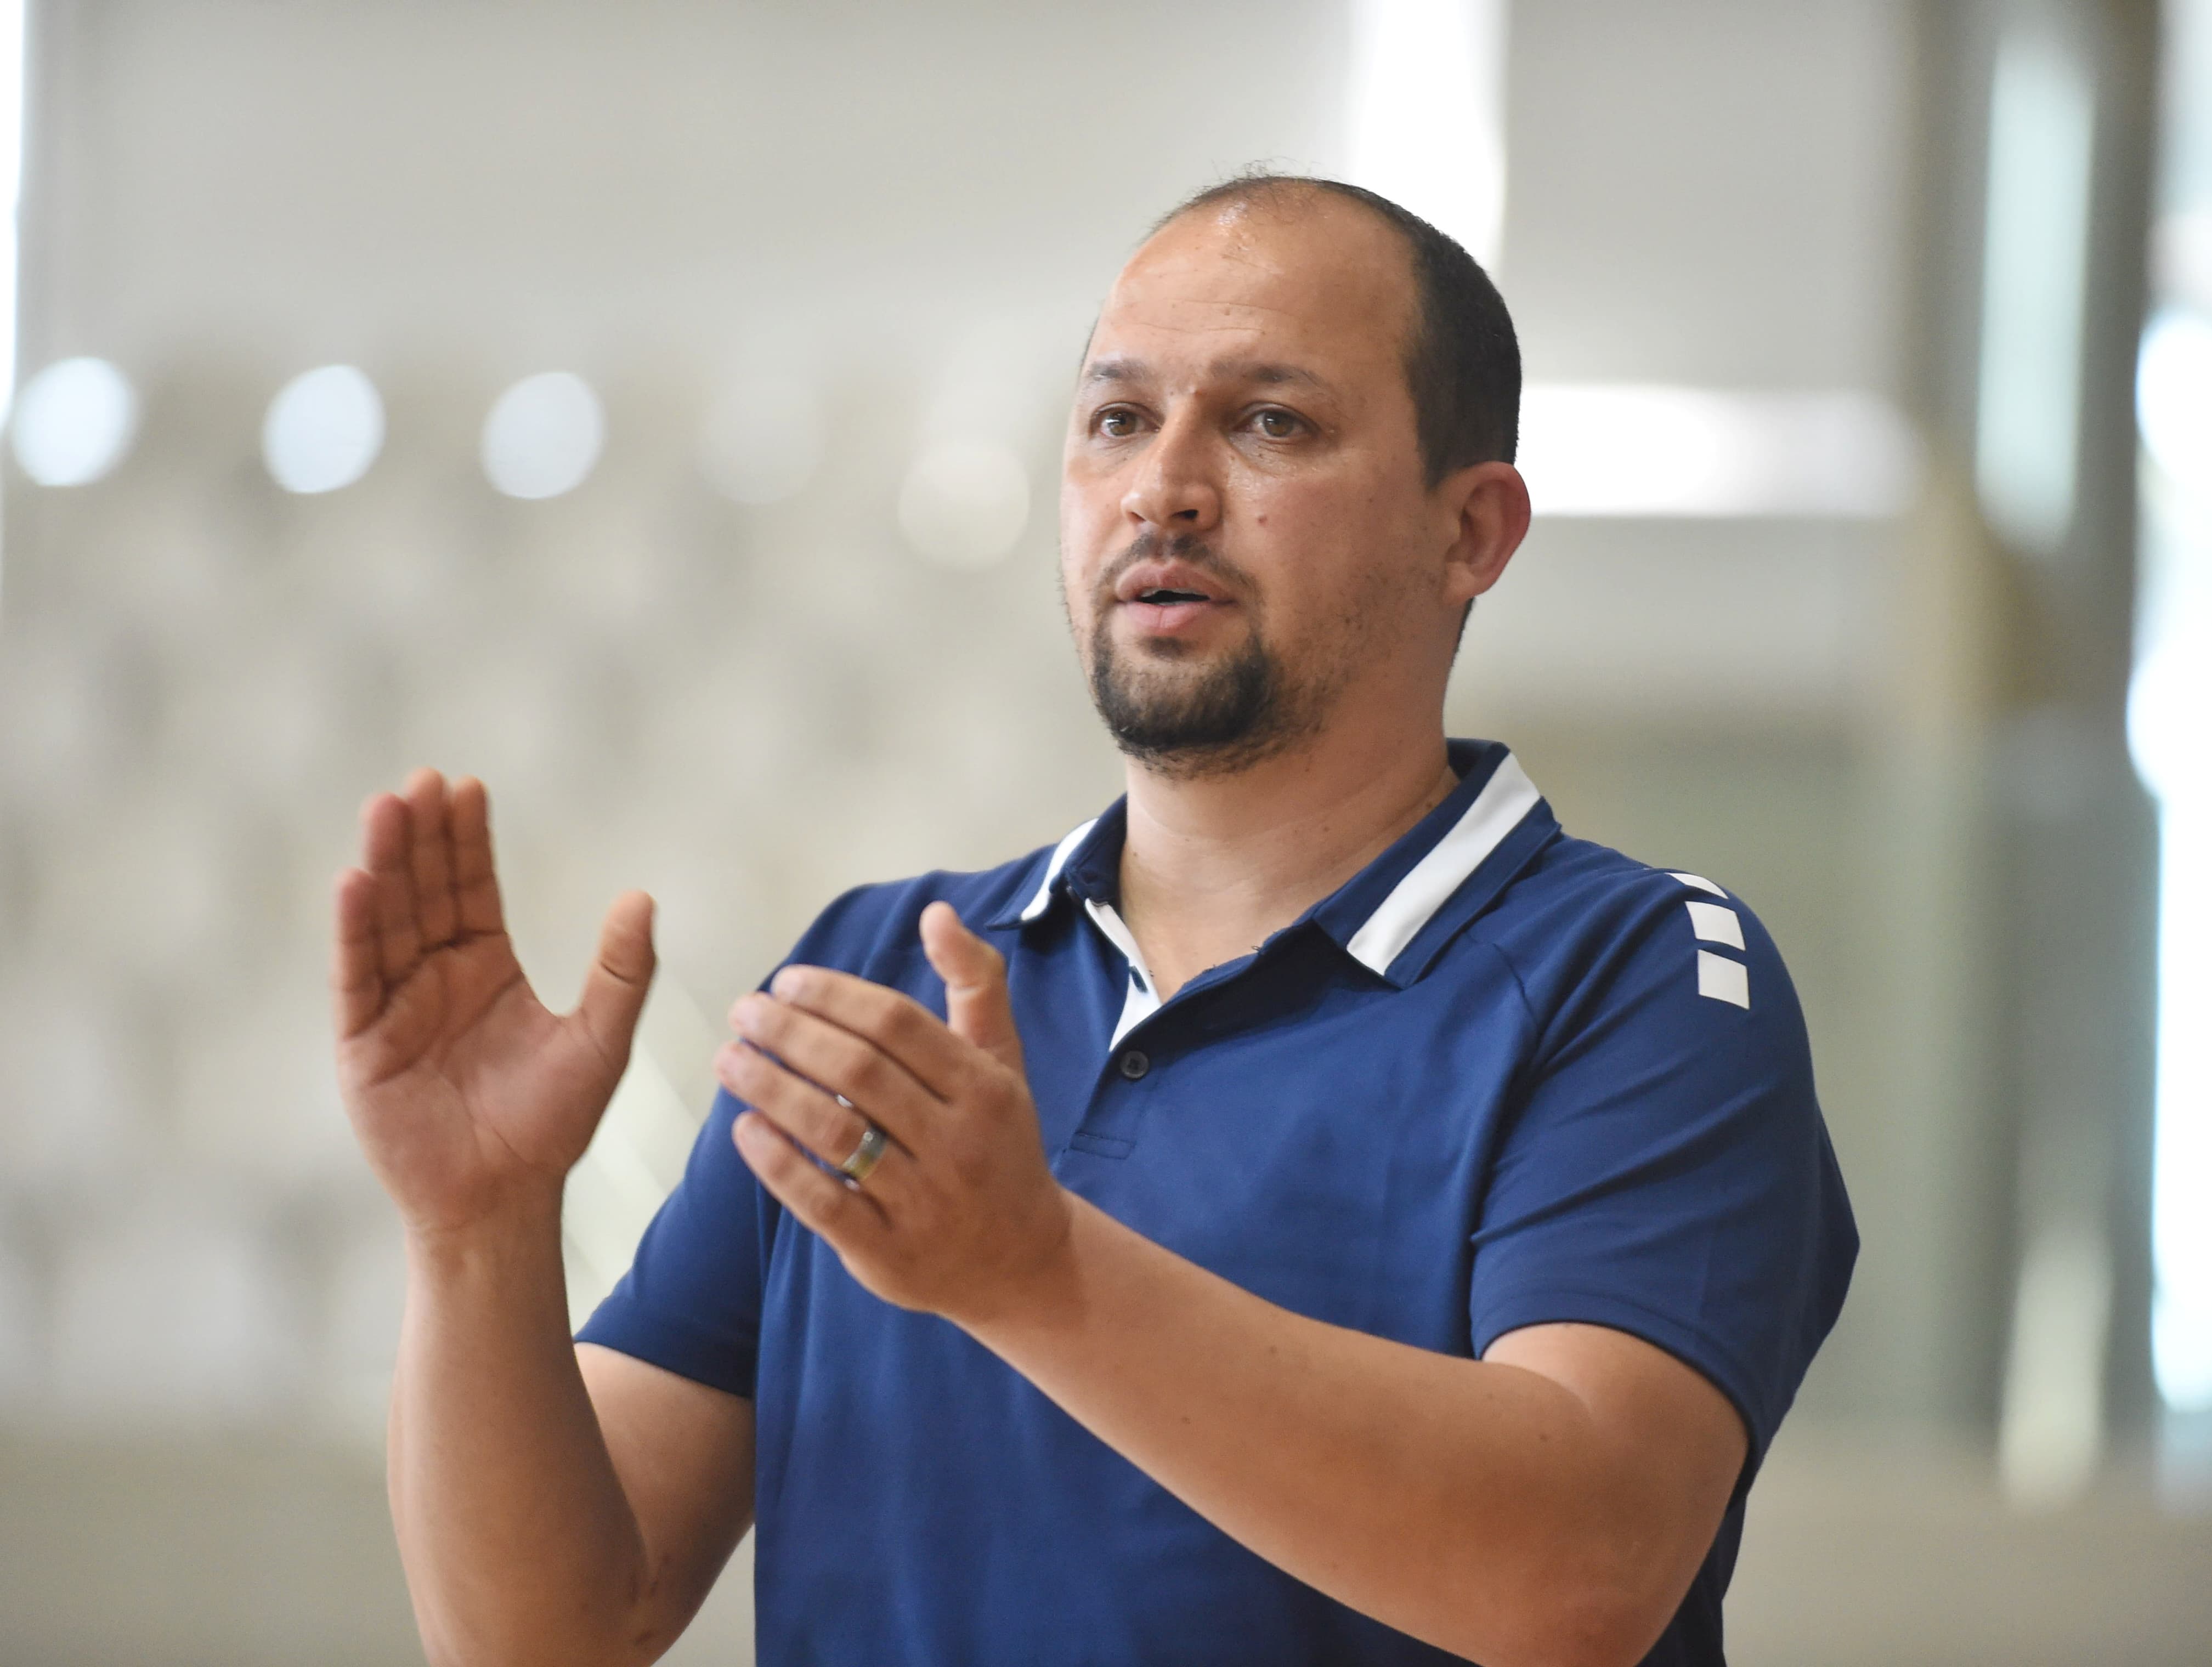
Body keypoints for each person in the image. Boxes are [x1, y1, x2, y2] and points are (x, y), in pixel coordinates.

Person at [332, 175, 1855, 1667]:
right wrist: (478, 1236)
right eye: (1119, 419)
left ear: (1471, 531)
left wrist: (1031, 1272)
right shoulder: (881, 970)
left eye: (1272, 423)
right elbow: (548, 1632)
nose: (1163, 487)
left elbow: (1578, 1576)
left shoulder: (1641, 977)